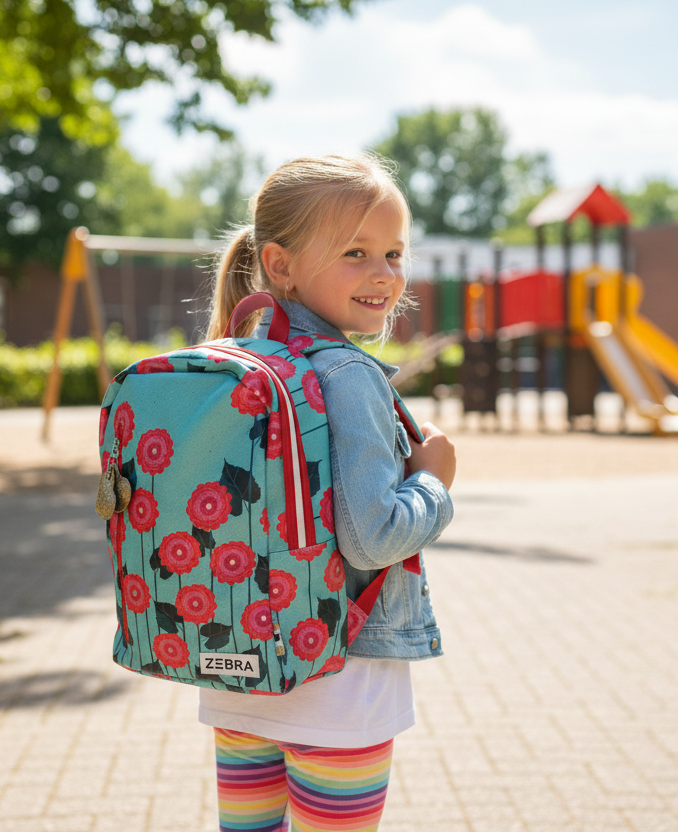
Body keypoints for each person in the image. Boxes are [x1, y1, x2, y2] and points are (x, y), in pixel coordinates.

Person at [198, 154, 457, 831]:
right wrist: (433, 480)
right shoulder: (348, 374)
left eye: (394, 253)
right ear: (280, 265)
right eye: (355, 252)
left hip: (238, 674)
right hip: (338, 688)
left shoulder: (234, 362)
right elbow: (373, 537)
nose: (385, 274)